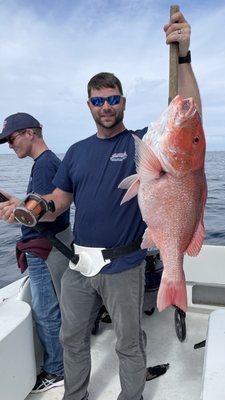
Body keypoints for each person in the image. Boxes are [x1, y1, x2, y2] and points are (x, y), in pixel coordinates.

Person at [34, 11, 202, 400]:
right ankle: (74, 395)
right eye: (98, 101)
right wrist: (33, 207)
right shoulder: (75, 152)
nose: (106, 106)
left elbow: (188, 110)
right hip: (79, 266)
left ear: (122, 102)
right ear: (89, 105)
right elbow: (58, 203)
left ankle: (133, 396)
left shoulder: (144, 144)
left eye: (112, 99)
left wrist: (184, 56)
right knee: (70, 337)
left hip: (124, 266)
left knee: (129, 343)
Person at [0, 113, 73, 393]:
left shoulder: (44, 166)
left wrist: (15, 214)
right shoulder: (47, 163)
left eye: (12, 138)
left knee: (46, 311)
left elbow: (45, 216)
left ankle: (56, 369)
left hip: (43, 249)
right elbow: (41, 208)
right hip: (49, 247)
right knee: (51, 307)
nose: (9, 145)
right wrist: (17, 205)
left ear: (30, 133)